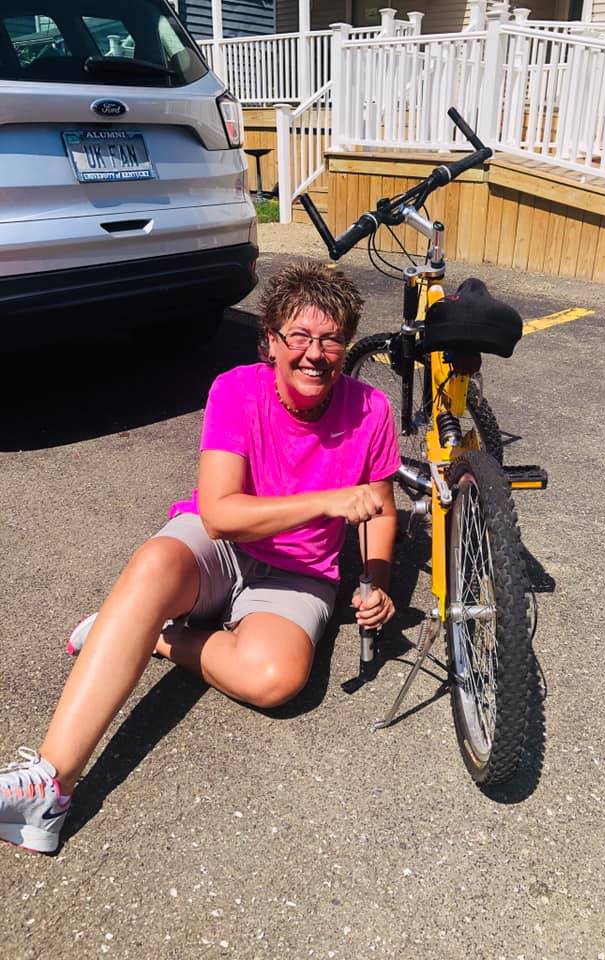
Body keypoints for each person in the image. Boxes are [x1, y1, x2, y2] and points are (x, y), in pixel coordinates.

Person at [0, 261, 400, 854]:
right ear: (269, 340)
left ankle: (141, 632)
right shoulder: (237, 389)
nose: (315, 353)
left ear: (346, 345)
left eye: (331, 338)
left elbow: (381, 509)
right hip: (222, 547)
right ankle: (51, 784)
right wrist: (328, 501)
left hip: (298, 575)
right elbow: (220, 514)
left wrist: (376, 579)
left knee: (276, 680)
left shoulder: (372, 411)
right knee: (156, 562)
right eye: (299, 337)